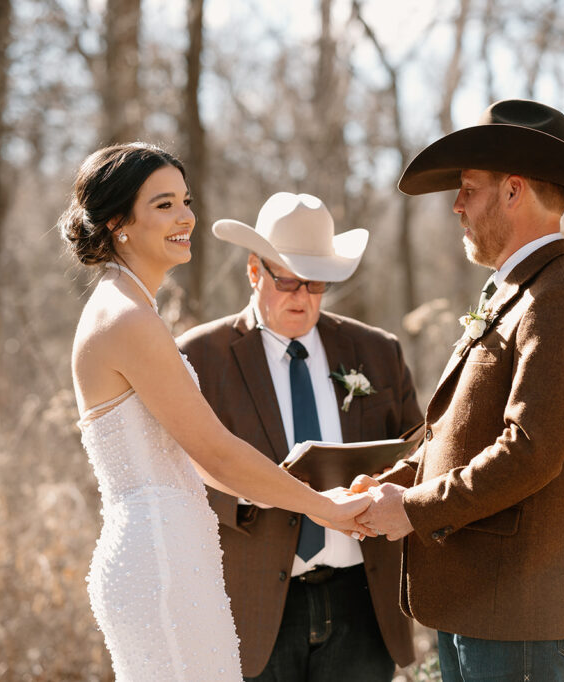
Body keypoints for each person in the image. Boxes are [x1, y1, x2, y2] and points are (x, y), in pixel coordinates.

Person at [58, 143, 371, 682]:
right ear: (117, 223)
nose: (185, 217)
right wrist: (322, 507)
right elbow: (217, 453)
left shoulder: (130, 307)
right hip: (160, 558)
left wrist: (293, 491)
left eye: (185, 200)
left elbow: (196, 458)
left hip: (173, 550)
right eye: (163, 205)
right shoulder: (128, 318)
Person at [350, 100, 564, 681]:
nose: (457, 205)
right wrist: (392, 484)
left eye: (468, 188)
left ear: (513, 191)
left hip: (518, 612)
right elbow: (459, 430)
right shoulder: (514, 291)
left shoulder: (562, 300)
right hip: (476, 599)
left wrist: (410, 509)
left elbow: (528, 453)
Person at [177, 192, 421, 681]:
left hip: (362, 597)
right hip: (253, 601)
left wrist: (380, 488)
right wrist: (251, 499)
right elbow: (177, 471)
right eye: (286, 279)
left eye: (316, 282)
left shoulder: (376, 350)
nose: (302, 296)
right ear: (254, 270)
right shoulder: (199, 357)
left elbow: (418, 444)